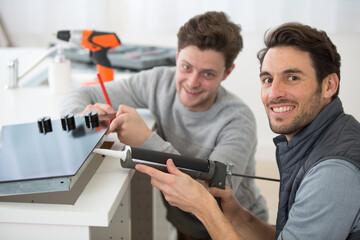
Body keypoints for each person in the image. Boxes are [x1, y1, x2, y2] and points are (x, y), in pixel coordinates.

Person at [136, 22, 360, 239]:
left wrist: (204, 207)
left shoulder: (333, 171)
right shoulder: (320, 138)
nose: (274, 93)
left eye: (292, 78)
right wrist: (238, 217)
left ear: (329, 85)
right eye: (268, 79)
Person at [59, 11, 268, 240]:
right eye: (186, 67)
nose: (192, 82)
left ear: (227, 72)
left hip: (235, 231)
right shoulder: (159, 82)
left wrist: (147, 141)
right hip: (184, 225)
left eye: (208, 74)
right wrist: (83, 116)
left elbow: (212, 197)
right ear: (177, 56)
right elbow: (82, 93)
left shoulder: (238, 121)